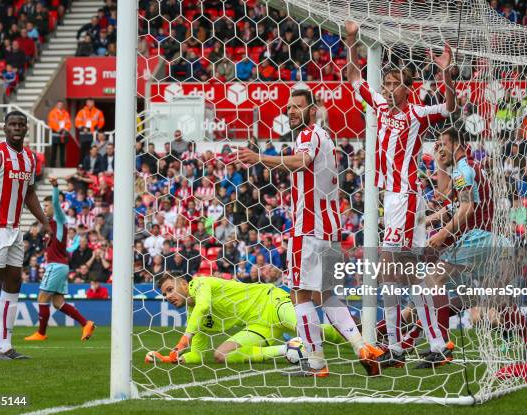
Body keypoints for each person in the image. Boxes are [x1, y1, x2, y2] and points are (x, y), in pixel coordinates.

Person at [237, 89, 383, 377]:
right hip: (330, 229)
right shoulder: (325, 137)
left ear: (312, 110)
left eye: (297, 106)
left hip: (308, 228)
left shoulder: (307, 135)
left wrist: (258, 158)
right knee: (327, 295)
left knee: (300, 295)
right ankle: (362, 346)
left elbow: (300, 162)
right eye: (288, 107)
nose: (291, 111)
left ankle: (316, 363)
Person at [345, 20, 455, 372]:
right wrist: (351, 41)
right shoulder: (377, 106)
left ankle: (396, 347)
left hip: (405, 197)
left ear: (409, 89)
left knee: (391, 273)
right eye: (388, 83)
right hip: (394, 199)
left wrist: (446, 76)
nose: (389, 88)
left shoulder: (416, 114)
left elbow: (450, 107)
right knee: (412, 275)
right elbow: (354, 79)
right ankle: (435, 344)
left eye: (396, 84)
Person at [422, 129, 527, 364]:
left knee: (432, 281)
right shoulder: (470, 168)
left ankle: (441, 347)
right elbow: (448, 199)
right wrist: (428, 219)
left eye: (443, 143)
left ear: (456, 143)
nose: (439, 148)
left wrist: (442, 234)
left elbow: (465, 208)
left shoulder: (463, 170)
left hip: (476, 239)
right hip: (494, 241)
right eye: (437, 144)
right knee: (497, 300)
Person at [0, 111, 53, 360]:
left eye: (21, 124)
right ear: (5, 128)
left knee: (13, 283)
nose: (17, 127)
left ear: (26, 128)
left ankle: (6, 345)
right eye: (13, 124)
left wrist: (45, 222)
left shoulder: (30, 158)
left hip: (15, 229)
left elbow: (29, 194)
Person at [146, 274, 347, 365]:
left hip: (271, 302)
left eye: (170, 289)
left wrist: (184, 338)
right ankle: (286, 349)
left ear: (183, 283)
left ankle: (346, 334)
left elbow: (204, 305)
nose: (168, 296)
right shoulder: (193, 315)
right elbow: (197, 355)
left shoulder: (200, 283)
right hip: (258, 325)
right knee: (220, 355)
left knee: (309, 329)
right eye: (164, 294)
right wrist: (174, 357)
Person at [24, 177, 96, 342]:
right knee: (57, 302)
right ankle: (86, 323)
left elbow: (56, 204)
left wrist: (55, 187)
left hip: (56, 267)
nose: (45, 208)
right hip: (60, 266)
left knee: (42, 298)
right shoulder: (49, 225)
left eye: (47, 206)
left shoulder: (60, 221)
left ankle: (41, 333)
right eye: (44, 206)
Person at [47, 100, 72, 167]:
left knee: (62, 151)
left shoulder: (66, 113)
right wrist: (58, 129)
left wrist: (65, 129)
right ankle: (52, 165)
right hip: (55, 134)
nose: (60, 106)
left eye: (61, 104)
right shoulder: (52, 113)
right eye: (59, 104)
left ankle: (62, 166)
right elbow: (51, 122)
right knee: (54, 150)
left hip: (63, 134)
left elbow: (68, 123)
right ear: (56, 105)